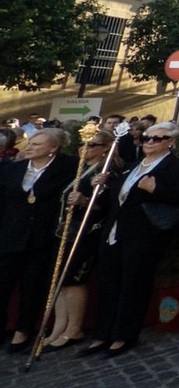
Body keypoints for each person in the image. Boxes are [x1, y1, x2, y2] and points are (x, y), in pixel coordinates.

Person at [78, 121, 179, 358]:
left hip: (143, 235)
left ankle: (123, 336)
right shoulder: (130, 167)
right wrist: (99, 187)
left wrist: (156, 190)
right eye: (146, 138)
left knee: (133, 286)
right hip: (113, 232)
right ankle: (102, 334)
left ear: (170, 142)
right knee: (108, 284)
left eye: (157, 138)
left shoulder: (176, 167)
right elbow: (114, 200)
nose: (150, 142)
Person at [0, 129, 78, 353]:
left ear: (52, 149)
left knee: (32, 285)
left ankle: (23, 330)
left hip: (41, 236)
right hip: (10, 234)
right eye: (31, 143)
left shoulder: (66, 167)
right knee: (2, 284)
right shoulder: (11, 168)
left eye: (37, 144)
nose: (31, 147)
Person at [41, 128, 119, 350]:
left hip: (85, 234)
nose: (85, 149)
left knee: (74, 280)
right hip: (65, 230)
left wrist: (85, 200)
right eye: (83, 145)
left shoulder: (106, 172)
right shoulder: (81, 168)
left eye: (92, 145)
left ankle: (74, 328)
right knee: (60, 281)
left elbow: (104, 207)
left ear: (105, 148)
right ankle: (60, 326)